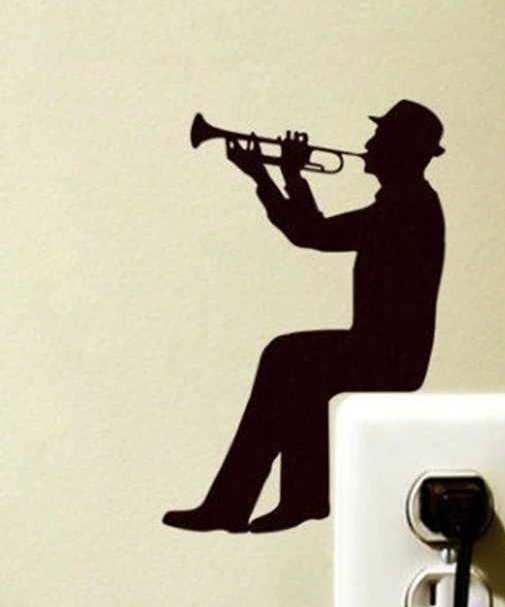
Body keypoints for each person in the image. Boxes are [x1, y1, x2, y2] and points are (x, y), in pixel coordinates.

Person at [163, 100, 446, 533]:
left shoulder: (407, 207)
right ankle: (298, 499)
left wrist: (277, 175)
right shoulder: (405, 202)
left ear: (401, 150)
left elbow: (310, 233)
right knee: (299, 370)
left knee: (287, 357)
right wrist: (275, 176)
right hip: (382, 347)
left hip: (391, 355)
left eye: (380, 137)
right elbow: (311, 231)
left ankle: (239, 504)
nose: (368, 144)